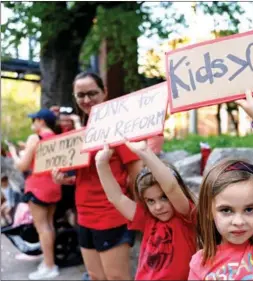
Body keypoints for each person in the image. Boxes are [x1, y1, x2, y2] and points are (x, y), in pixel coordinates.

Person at [52, 71, 164, 280]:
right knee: (95, 276)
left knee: (116, 278)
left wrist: (141, 215)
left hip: (112, 216)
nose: (86, 100)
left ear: (104, 92)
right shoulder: (82, 131)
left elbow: (135, 173)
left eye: (92, 93)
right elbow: (88, 175)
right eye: (80, 95)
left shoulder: (117, 127)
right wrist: (66, 179)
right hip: (84, 215)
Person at [188, 90, 253, 280]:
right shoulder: (199, 262)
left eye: (250, 209)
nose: (239, 221)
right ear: (209, 210)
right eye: (226, 210)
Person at [95, 139, 197, 280]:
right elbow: (116, 198)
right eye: (150, 201)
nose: (158, 207)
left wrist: (145, 152)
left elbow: (171, 187)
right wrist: (101, 165)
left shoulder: (186, 216)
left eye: (164, 198)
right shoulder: (147, 219)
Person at [7, 108, 61, 280]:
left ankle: (50, 266)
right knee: (49, 226)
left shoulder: (34, 138)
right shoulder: (56, 137)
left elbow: (22, 166)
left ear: (41, 121)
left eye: (34, 120)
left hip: (37, 186)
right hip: (54, 185)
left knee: (42, 228)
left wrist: (15, 154)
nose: (33, 124)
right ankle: (48, 262)